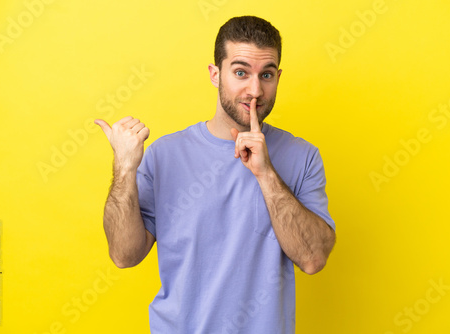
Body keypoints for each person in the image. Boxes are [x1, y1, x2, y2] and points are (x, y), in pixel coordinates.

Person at [95, 15, 336, 334]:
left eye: (266, 75)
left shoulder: (303, 157)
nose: (255, 90)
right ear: (215, 74)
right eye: (240, 72)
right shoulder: (165, 155)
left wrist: (265, 174)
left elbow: (313, 258)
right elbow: (124, 255)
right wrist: (124, 168)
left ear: (278, 76)